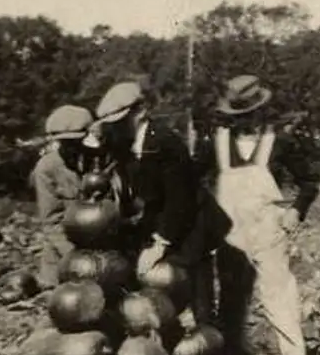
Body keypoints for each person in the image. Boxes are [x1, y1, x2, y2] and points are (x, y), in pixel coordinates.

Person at [200, 74, 320, 355]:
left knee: (278, 291)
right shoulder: (215, 144)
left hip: (268, 226)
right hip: (230, 230)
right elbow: (192, 183)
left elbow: (309, 182)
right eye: (235, 117)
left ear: (260, 112)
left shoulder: (279, 141)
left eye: (247, 116)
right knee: (231, 293)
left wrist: (296, 210)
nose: (242, 122)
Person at [89, 79, 230, 327]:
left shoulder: (166, 142)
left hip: (193, 219)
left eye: (121, 122)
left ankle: (208, 342)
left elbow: (180, 200)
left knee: (195, 280)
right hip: (162, 214)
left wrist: (160, 244)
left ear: (141, 112)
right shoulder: (125, 142)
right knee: (155, 278)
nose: (116, 129)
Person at [30, 104, 103, 289]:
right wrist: (75, 256)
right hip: (64, 256)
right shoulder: (46, 168)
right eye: (66, 143)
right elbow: (51, 222)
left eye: (77, 141)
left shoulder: (101, 161)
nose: (73, 148)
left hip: (104, 250)